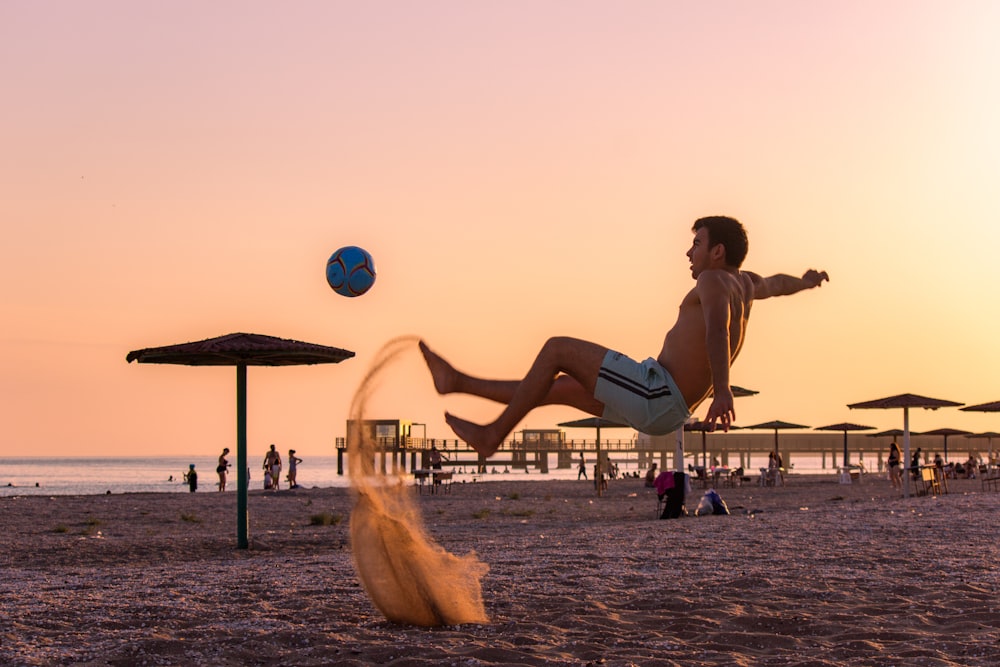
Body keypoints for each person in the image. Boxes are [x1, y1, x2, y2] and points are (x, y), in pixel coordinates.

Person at [419, 216, 829, 457]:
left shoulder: (712, 281)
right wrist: (806, 283)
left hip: (657, 393)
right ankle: (457, 382)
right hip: (664, 406)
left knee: (557, 348)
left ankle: (492, 435)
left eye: (696, 243)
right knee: (558, 387)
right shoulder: (746, 283)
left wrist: (723, 390)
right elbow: (777, 283)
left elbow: (716, 330)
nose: (689, 252)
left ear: (717, 252)